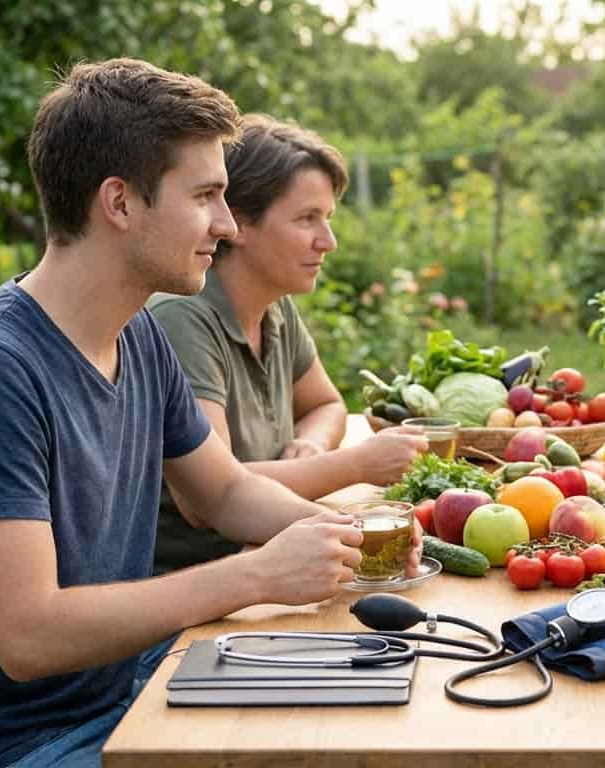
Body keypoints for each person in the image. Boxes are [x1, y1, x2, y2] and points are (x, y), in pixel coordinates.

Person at [0, 59, 418, 768]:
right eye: (205, 197)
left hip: (121, 695)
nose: (226, 226)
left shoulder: (136, 335)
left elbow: (223, 491)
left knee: (363, 723)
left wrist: (350, 537)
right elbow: (28, 636)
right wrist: (255, 576)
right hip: (0, 748)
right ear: (120, 203)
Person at [148, 114, 425, 574]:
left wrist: (312, 445)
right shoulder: (183, 320)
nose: (328, 241)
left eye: (328, 219)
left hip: (269, 552)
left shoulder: (274, 310)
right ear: (239, 222)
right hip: (200, 585)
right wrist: (353, 464)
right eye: (306, 219)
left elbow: (327, 404)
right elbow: (209, 496)